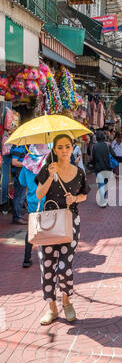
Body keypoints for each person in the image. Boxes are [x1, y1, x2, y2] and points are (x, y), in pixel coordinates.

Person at [35, 134, 90, 325]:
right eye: (60, 147)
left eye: (67, 146)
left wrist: (74, 199)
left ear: (72, 147)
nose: (64, 150)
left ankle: (67, 302)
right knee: (47, 268)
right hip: (49, 223)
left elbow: (84, 195)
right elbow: (39, 194)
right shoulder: (47, 169)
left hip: (70, 222)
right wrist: (50, 176)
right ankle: (52, 308)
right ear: (54, 149)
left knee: (65, 268)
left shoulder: (79, 172)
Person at [19, 144, 50, 268]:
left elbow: (21, 181)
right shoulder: (48, 162)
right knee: (47, 228)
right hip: (47, 199)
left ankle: (26, 259)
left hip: (32, 200)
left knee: (32, 229)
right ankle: (47, 257)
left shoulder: (27, 162)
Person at [91, 131, 112, 208]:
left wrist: (92, 165)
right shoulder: (108, 145)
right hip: (107, 167)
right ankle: (103, 199)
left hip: (98, 168)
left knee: (101, 184)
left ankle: (102, 199)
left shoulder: (94, 146)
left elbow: (92, 158)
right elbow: (113, 155)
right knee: (105, 184)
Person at [10, 144, 28, 225]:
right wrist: (27, 164)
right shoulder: (19, 147)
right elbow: (14, 162)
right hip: (18, 175)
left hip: (19, 175)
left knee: (19, 195)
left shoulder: (21, 146)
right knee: (19, 196)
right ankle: (17, 217)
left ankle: (17, 216)